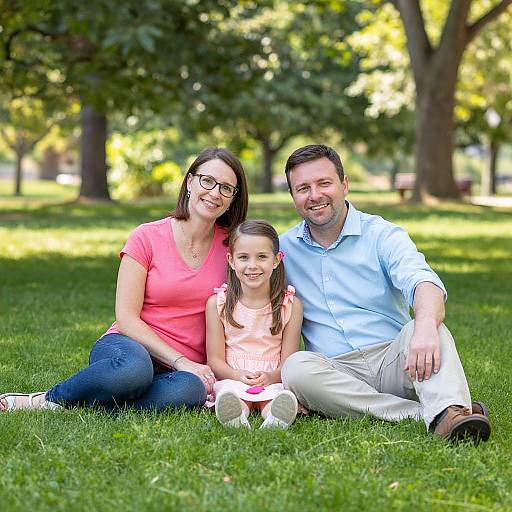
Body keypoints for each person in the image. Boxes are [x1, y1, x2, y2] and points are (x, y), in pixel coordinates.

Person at [0, 147, 248, 413]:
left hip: (184, 369)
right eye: (207, 181)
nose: (214, 193)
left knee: (190, 391)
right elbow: (126, 318)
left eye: (226, 188)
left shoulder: (233, 250)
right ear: (190, 181)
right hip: (129, 348)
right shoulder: (147, 237)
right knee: (133, 371)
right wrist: (180, 361)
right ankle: (49, 398)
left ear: (233, 198)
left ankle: (90, 405)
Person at [279, 144, 491, 442]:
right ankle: (436, 415)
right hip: (336, 371)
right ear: (293, 197)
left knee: (431, 328)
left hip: (397, 359)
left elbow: (423, 283)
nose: (315, 195)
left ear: (344, 184)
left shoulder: (382, 234)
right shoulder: (282, 250)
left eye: (324, 183)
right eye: (303, 188)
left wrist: (426, 326)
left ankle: (450, 412)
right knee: (296, 368)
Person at [206, 220, 303, 429]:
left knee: (276, 395)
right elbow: (214, 360)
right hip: (233, 375)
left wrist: (271, 376)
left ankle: (276, 417)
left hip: (273, 377)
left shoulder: (290, 305)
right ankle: (235, 415)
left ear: (276, 260)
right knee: (231, 393)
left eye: (262, 257)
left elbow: (289, 360)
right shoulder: (218, 303)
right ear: (231, 261)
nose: (252, 265)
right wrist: (236, 375)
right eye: (243, 257)